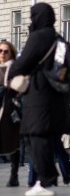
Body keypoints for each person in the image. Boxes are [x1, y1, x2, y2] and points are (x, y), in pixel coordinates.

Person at [8, 3, 70, 196]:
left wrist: (15, 72)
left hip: (39, 97)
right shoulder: (58, 38)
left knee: (36, 138)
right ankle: (48, 179)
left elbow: (21, 64)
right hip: (57, 97)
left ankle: (46, 181)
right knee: (45, 138)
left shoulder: (38, 37)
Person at [1, 40, 22, 188]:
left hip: (10, 110)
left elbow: (21, 88)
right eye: (0, 51)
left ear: (11, 53)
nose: (2, 54)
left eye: (6, 51)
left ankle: (14, 175)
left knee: (12, 143)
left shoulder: (15, 69)